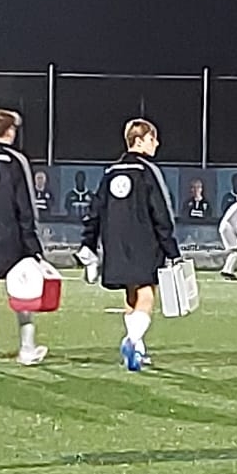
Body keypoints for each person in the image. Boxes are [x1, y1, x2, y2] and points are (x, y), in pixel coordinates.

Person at [79, 118, 181, 371]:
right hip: (144, 241)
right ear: (139, 141)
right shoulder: (148, 171)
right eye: (152, 139)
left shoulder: (110, 172)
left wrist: (89, 242)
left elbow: (95, 210)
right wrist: (171, 249)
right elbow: (161, 212)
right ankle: (132, 340)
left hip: (114, 242)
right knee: (146, 294)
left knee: (130, 293)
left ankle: (137, 351)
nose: (156, 143)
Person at [0, 109, 50, 370]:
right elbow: (25, 204)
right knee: (23, 291)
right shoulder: (15, 160)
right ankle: (26, 349)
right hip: (10, 236)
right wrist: (33, 245)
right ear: (10, 131)